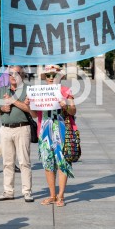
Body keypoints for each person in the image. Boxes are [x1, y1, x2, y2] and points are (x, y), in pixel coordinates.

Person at [30, 64, 77, 207]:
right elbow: (34, 114)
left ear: (60, 76)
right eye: (48, 75)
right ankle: (52, 195)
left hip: (61, 130)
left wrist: (66, 106)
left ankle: (61, 196)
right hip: (44, 131)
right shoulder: (39, 92)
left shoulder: (65, 91)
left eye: (54, 75)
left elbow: (73, 111)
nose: (51, 78)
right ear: (45, 78)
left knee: (62, 162)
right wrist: (28, 105)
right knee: (48, 163)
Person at [0, 65, 33, 202]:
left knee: (24, 162)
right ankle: (8, 191)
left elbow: (32, 112)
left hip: (22, 128)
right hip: (5, 129)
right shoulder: (2, 89)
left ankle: (27, 192)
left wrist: (14, 101)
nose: (13, 76)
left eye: (17, 73)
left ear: (22, 75)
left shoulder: (28, 90)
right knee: (7, 163)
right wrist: (2, 109)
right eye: (11, 74)